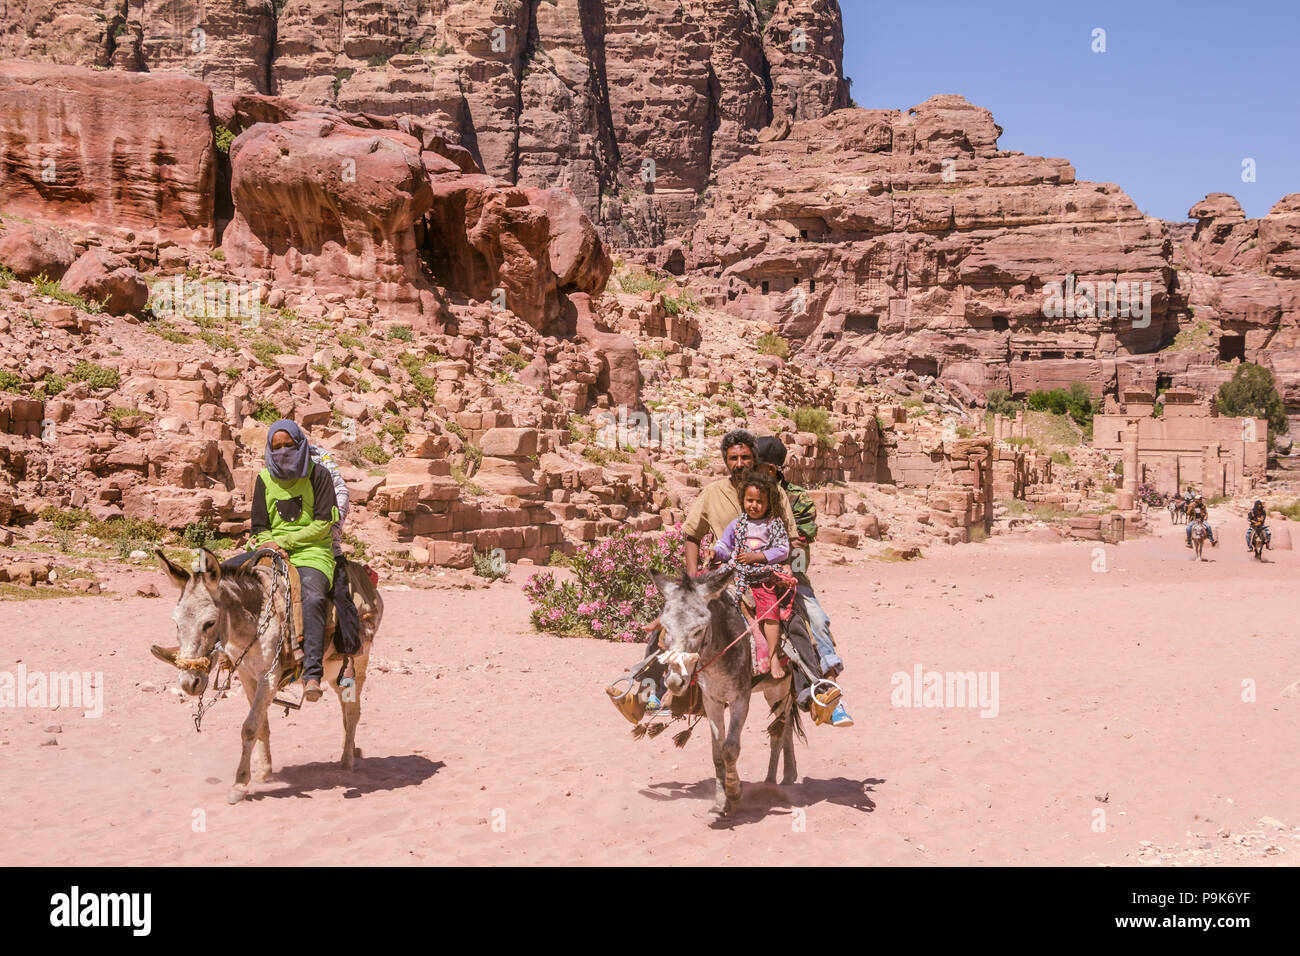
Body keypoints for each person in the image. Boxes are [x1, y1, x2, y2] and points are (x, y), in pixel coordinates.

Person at [641, 429, 853, 727]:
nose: (739, 463)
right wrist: (692, 580)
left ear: (755, 460)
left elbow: (790, 540)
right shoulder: (712, 494)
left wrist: (786, 568)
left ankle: (818, 692)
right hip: (723, 579)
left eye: (745, 458)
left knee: (808, 621)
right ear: (725, 461)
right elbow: (692, 535)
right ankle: (649, 688)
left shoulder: (774, 493)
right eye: (733, 458)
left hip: (769, 576)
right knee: (672, 618)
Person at [235, 419, 340, 701]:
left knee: (314, 595)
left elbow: (322, 524)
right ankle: (210, 652)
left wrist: (285, 542)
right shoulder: (264, 478)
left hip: (311, 551)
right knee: (220, 578)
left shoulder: (319, 476)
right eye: (276, 446)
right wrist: (268, 542)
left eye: (288, 445)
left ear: (300, 445)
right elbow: (259, 525)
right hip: (270, 548)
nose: (282, 451)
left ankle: (312, 672)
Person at [755, 436, 844, 678]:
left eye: (756, 465)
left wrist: (784, 568)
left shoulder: (798, 499)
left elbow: (799, 545)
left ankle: (828, 681)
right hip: (748, 571)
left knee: (817, 620)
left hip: (789, 574)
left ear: (771, 470)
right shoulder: (745, 492)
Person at [713, 470, 794, 679]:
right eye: (750, 500)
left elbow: (783, 549)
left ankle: (774, 656)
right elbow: (724, 545)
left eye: (760, 502)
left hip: (762, 579)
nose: (754, 506)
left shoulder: (773, 524)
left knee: (771, 614)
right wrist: (714, 552)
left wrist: (757, 557)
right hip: (737, 575)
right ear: (743, 500)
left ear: (769, 503)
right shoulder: (737, 524)